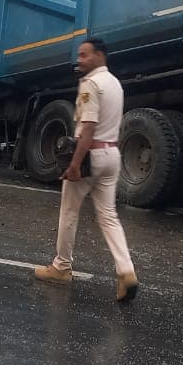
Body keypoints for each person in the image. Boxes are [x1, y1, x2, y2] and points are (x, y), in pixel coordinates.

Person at [33, 38, 139, 302]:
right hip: (112, 153)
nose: (79, 60)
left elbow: (89, 128)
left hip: (90, 155)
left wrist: (75, 164)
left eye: (84, 55)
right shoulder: (115, 83)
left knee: (69, 211)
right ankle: (126, 271)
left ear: (100, 55)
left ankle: (61, 267)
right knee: (108, 215)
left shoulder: (91, 84)